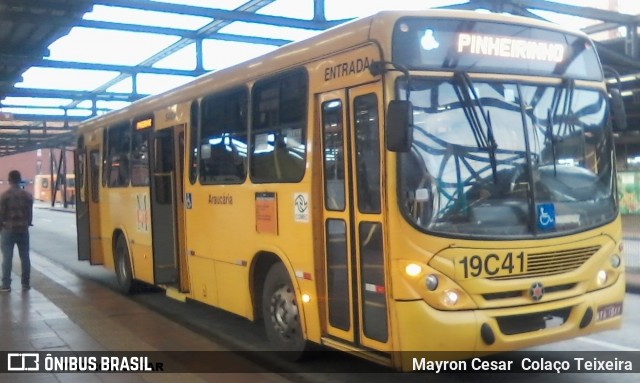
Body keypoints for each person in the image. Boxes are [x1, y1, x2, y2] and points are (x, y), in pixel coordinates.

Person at [0, 170, 34, 292]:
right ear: (20, 180)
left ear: (9, 180)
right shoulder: (27, 196)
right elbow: (30, 214)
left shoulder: (4, 196)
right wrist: (28, 223)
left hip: (8, 230)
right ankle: (25, 284)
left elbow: (1, 215)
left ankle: (6, 285)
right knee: (25, 257)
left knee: (7, 258)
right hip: (23, 230)